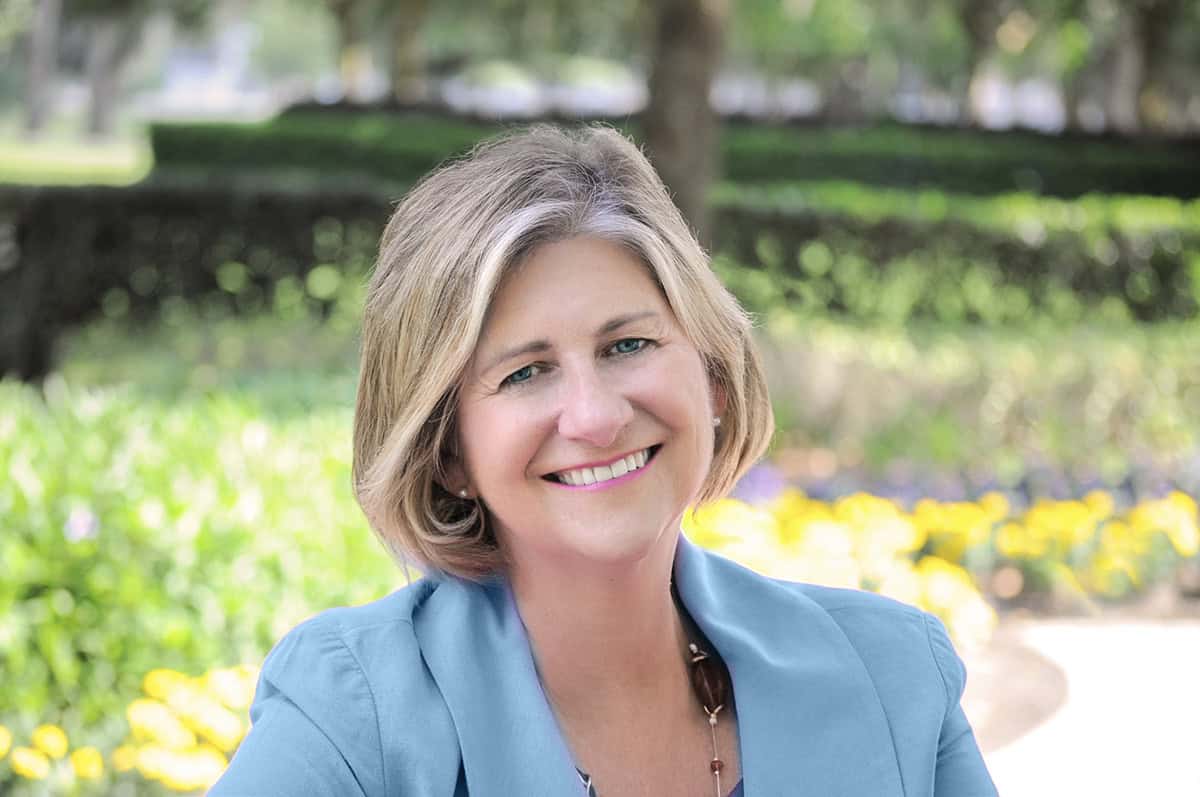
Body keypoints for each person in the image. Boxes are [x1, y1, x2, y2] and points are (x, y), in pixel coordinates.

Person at [210, 125, 997, 797]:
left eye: (628, 344)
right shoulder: (355, 714)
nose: (594, 416)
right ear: (447, 449)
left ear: (713, 378)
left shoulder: (897, 677)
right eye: (525, 371)